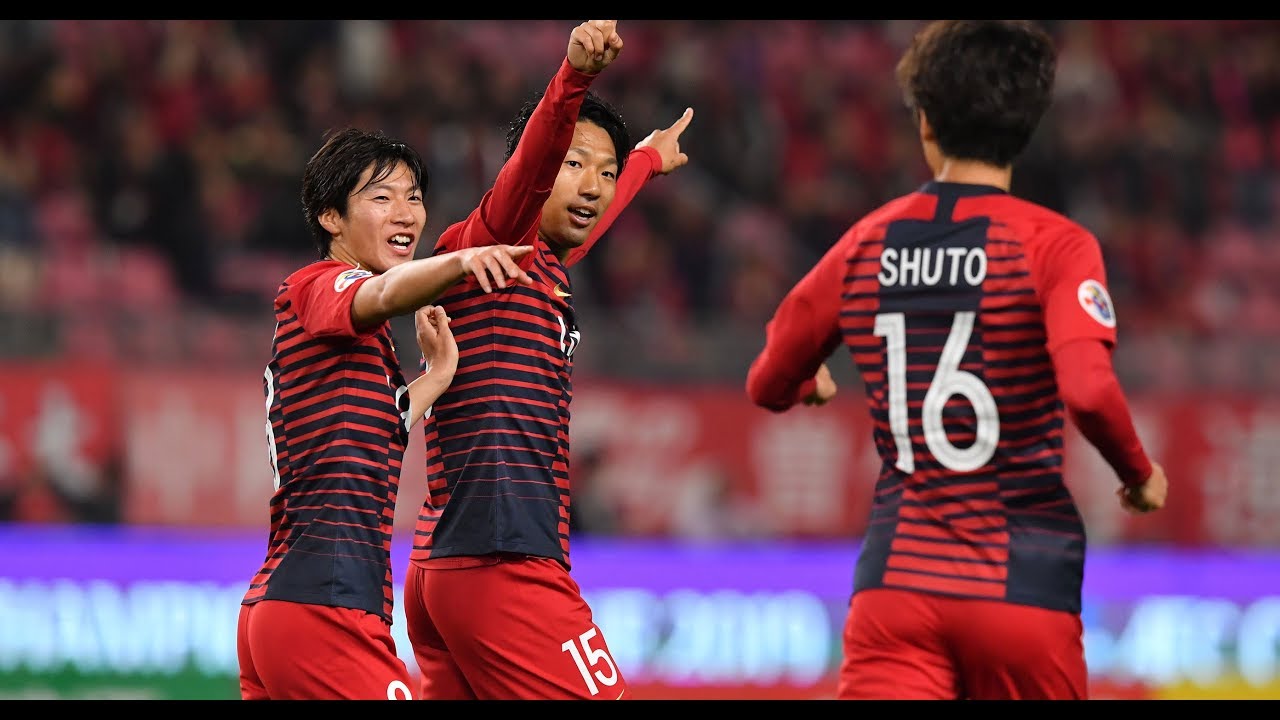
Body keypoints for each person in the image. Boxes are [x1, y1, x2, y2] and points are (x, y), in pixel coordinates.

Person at [744, 20, 1168, 700]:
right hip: (1021, 586)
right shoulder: (1056, 247)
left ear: (925, 123)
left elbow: (766, 382)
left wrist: (805, 381)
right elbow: (1088, 392)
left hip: (897, 590)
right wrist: (1139, 474)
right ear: (1026, 128)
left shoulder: (865, 243)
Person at [400, 19, 693, 700]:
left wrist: (644, 160)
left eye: (606, 172)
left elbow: (592, 222)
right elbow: (531, 171)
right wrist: (574, 79)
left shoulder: (541, 267)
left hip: (446, 562)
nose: (593, 186)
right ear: (528, 175)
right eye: (574, 165)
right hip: (503, 562)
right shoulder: (491, 239)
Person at [236, 126, 536, 700]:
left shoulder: (348, 343)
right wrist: (461, 263)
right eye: (381, 197)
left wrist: (436, 378)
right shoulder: (322, 284)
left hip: (283, 605)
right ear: (330, 217)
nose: (405, 213)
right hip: (326, 605)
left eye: (414, 197)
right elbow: (377, 296)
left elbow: (379, 426)